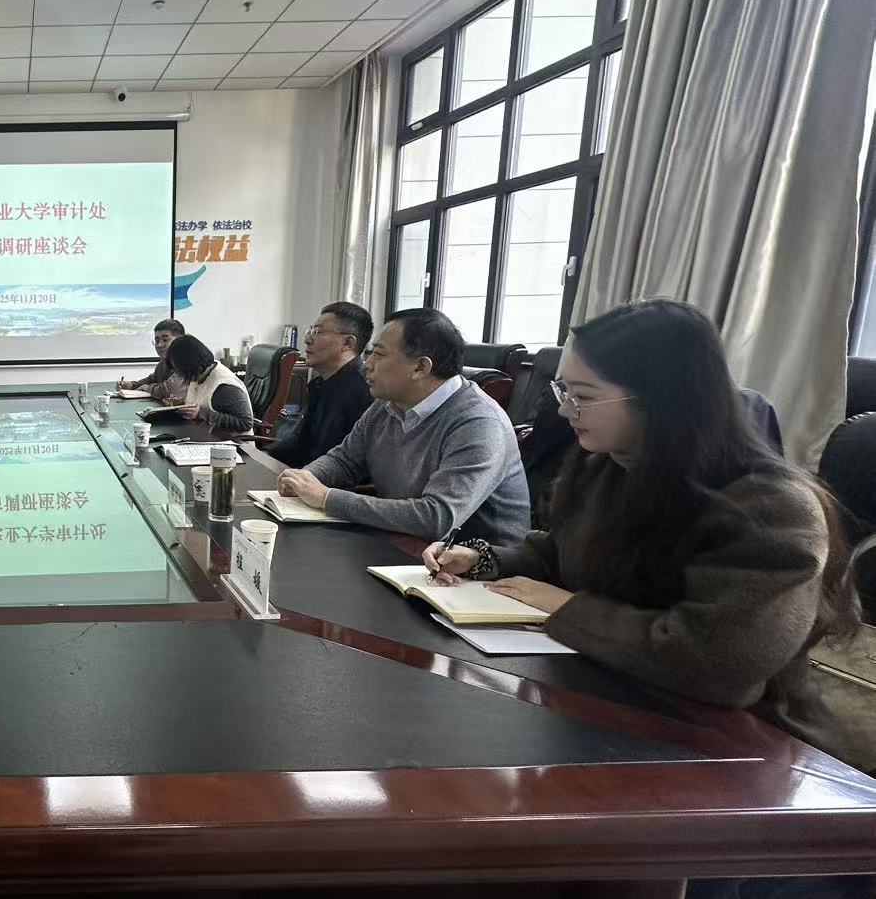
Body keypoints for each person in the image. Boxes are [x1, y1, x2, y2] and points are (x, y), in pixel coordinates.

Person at [421, 299, 857, 760]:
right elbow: (567, 553)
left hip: (744, 746)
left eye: (584, 396)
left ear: (661, 398)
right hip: (610, 696)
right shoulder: (608, 464)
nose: (565, 412)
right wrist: (484, 559)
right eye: (563, 390)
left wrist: (566, 608)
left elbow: (716, 666)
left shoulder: (772, 509)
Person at [277, 308, 529, 542]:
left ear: (420, 367)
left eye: (379, 354)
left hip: (474, 565)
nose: (367, 364)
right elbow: (345, 460)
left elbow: (436, 517)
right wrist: (306, 478)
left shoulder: (479, 423)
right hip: (402, 544)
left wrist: (326, 498)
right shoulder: (387, 404)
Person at [266, 302, 374, 467]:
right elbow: (302, 442)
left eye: (317, 332)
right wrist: (264, 455)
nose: (307, 340)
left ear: (347, 343)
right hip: (305, 473)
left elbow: (349, 464)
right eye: (310, 331)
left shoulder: (367, 392)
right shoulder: (319, 384)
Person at [164, 334, 254, 433]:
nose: (179, 374)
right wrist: (181, 405)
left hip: (232, 440)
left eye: (179, 370)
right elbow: (202, 403)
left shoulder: (224, 386)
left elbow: (246, 423)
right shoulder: (199, 373)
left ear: (189, 365)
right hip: (206, 433)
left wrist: (202, 414)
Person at [118, 318, 187, 402]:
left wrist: (147, 388)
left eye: (165, 340)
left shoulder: (187, 362)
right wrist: (132, 385)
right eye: (157, 341)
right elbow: (151, 379)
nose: (159, 345)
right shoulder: (163, 363)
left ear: (180, 340)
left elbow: (169, 390)